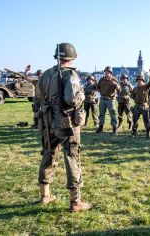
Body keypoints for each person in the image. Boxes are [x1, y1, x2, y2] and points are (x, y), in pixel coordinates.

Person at [38, 42, 92, 212]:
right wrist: (82, 95)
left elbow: (38, 99)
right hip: (66, 122)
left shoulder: (46, 74)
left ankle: (45, 195)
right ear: (72, 57)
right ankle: (76, 201)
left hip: (48, 122)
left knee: (49, 154)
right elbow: (71, 99)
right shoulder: (71, 75)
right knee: (72, 157)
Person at [131, 68, 150, 138]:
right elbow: (132, 96)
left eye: (140, 80)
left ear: (143, 81)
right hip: (137, 106)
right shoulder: (135, 89)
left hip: (144, 106)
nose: (139, 81)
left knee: (146, 120)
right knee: (134, 120)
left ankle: (148, 133)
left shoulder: (146, 87)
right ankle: (134, 132)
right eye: (138, 80)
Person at [96, 66, 120, 135]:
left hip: (110, 100)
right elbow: (97, 88)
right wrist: (101, 92)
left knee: (112, 114)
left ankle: (114, 129)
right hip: (102, 99)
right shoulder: (101, 79)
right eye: (105, 72)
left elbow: (119, 90)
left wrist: (116, 85)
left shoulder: (114, 79)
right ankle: (100, 128)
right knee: (101, 114)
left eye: (108, 72)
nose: (106, 73)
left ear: (110, 73)